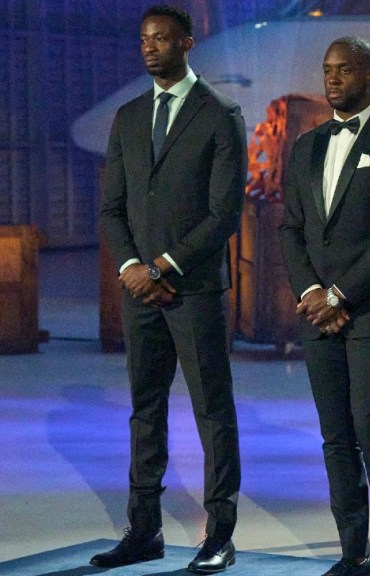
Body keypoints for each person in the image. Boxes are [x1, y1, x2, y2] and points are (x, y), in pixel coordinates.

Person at [94, 5, 245, 574]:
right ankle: (144, 531)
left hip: (195, 290)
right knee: (145, 410)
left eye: (160, 38)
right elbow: (111, 208)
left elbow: (224, 213)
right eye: (143, 40)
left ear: (187, 42)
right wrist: (133, 267)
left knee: (212, 411)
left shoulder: (220, 114)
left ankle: (219, 536)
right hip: (139, 293)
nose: (150, 47)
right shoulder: (129, 116)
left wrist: (162, 268)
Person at [278, 36, 370, 576]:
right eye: (327, 70)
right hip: (317, 313)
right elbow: (291, 228)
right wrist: (311, 294)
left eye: (345, 69)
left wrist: (340, 295)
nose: (334, 78)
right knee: (336, 437)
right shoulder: (305, 146)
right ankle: (353, 554)